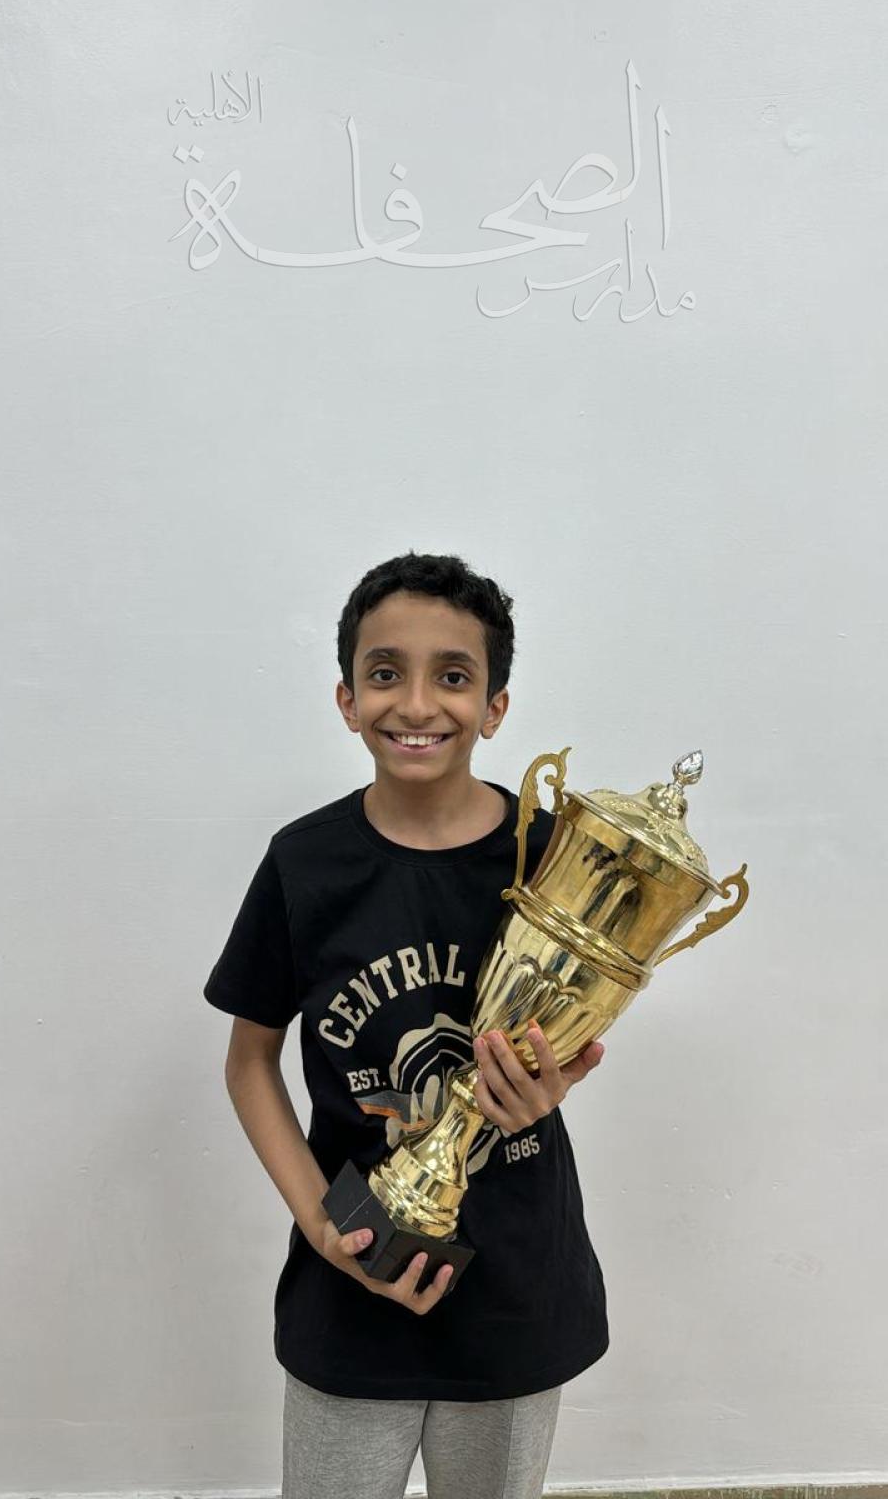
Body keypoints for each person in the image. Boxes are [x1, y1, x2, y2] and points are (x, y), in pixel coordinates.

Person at [203, 550, 609, 1499]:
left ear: (495, 706)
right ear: (347, 699)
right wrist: (327, 1226)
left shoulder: (551, 856)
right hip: (352, 1282)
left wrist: (553, 1083)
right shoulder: (306, 863)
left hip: (513, 1292)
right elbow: (250, 1063)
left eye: (453, 677)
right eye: (386, 672)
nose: (417, 703)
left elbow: (578, 1026)